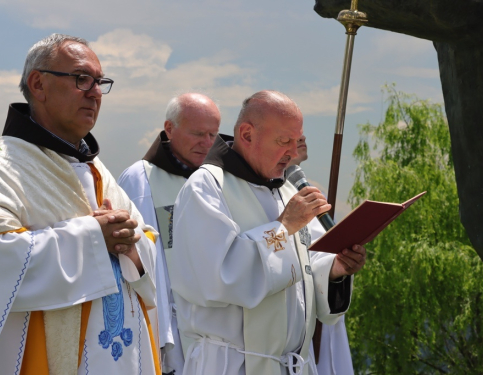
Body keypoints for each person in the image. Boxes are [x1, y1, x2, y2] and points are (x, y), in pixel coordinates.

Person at [0, 34, 160, 375]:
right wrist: (95, 237)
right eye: (81, 79)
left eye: (100, 82)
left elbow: (147, 239)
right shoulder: (0, 169)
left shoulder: (97, 170)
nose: (95, 92)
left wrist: (132, 244)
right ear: (38, 84)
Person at [169, 90, 366, 375]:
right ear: (247, 135)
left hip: (292, 365)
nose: (292, 153)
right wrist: (283, 228)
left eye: (296, 142)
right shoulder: (206, 187)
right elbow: (220, 277)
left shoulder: (287, 189)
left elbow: (309, 263)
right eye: (283, 141)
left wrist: (336, 269)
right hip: (233, 365)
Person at [118, 93, 221, 374]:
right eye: (198, 133)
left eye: (213, 134)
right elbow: (144, 264)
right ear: (169, 128)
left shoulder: (218, 180)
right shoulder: (141, 180)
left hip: (217, 335)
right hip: (170, 333)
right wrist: (160, 338)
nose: (208, 143)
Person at [288, 135, 355, 375]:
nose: (303, 137)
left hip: (322, 305)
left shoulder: (306, 188)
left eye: (302, 132)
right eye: (291, 135)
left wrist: (336, 268)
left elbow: (318, 253)